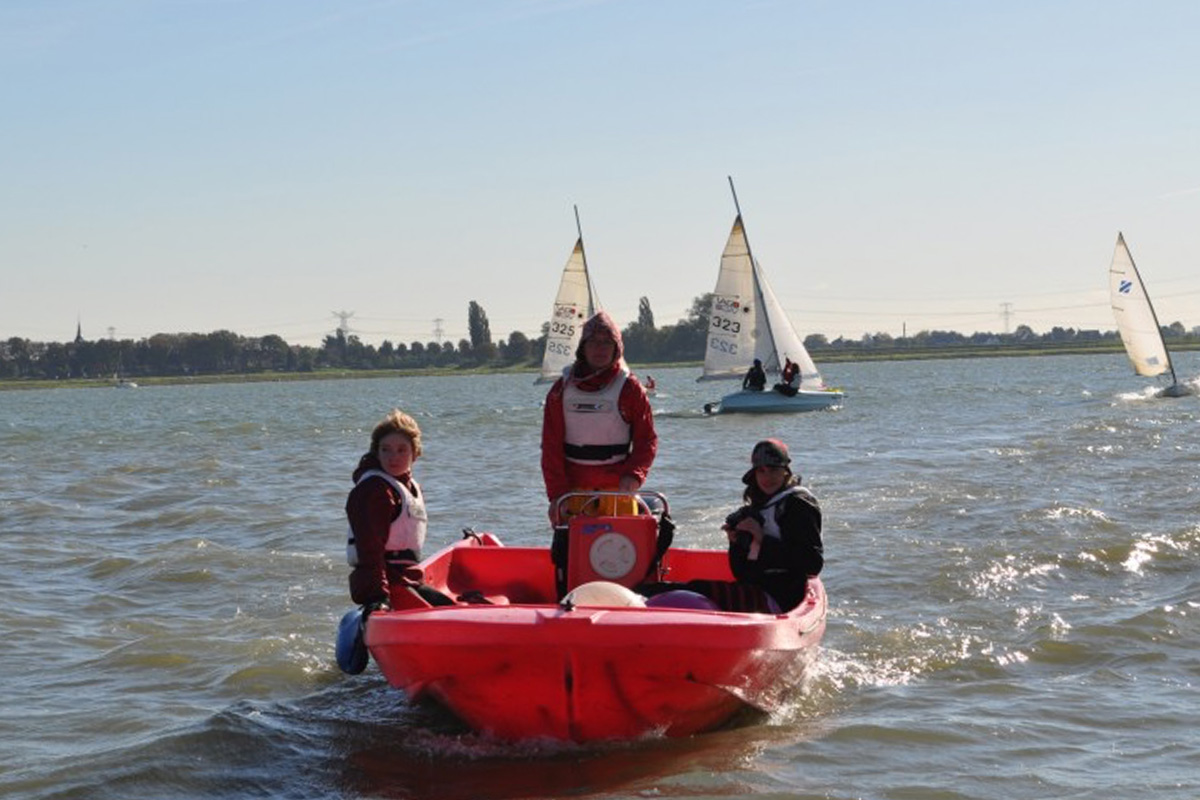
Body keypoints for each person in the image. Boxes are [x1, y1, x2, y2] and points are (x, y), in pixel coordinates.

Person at [541, 311, 658, 592]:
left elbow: (647, 441)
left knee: (623, 561)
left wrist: (634, 476)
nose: (600, 349)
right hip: (573, 491)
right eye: (593, 342)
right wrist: (556, 495)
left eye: (607, 343)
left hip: (618, 491)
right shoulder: (561, 390)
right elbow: (551, 448)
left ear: (617, 349)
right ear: (582, 348)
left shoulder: (631, 388)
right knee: (572, 562)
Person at [345, 409, 453, 614]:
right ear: (376, 452)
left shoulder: (409, 487)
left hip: (405, 579)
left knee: (456, 607)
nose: (393, 457)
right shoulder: (375, 490)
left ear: (415, 453)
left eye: (401, 450)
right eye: (386, 449)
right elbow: (369, 550)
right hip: (383, 586)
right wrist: (378, 597)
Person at [721, 439, 823, 611]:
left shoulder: (798, 505)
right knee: (678, 589)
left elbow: (812, 564)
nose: (767, 477)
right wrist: (735, 543)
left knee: (692, 592)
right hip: (756, 591)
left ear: (785, 472)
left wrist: (762, 539)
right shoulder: (755, 509)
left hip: (785, 598)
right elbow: (741, 574)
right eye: (761, 471)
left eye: (774, 470)